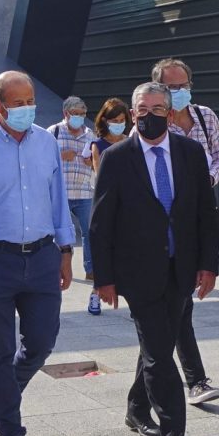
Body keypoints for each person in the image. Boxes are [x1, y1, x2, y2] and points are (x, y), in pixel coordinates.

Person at [90, 82, 219, 436]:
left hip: (181, 269)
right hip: (137, 273)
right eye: (143, 110)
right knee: (161, 355)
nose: (150, 116)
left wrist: (209, 265)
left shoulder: (190, 153)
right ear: (133, 114)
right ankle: (173, 434)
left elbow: (205, 214)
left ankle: (135, 408)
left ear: (170, 112)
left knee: (156, 346)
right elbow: (101, 223)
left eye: (158, 109)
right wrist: (103, 278)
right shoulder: (117, 158)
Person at [0, 72, 74, 436]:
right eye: (18, 103)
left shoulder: (46, 141)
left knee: (42, 341)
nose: (27, 108)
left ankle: (5, 394)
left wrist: (65, 250)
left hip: (42, 256)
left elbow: (57, 197)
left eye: (30, 100)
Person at [153, 58, 219, 406]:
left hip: (198, 215)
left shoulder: (204, 116)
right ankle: (193, 379)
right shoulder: (153, 121)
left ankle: (157, 384)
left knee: (178, 306)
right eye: (172, 87)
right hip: (164, 223)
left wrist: (205, 178)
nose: (179, 91)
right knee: (178, 305)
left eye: (184, 85)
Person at [87, 98, 131, 316]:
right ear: (105, 120)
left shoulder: (131, 142)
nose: (118, 124)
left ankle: (135, 300)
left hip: (130, 205)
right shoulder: (98, 145)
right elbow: (100, 175)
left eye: (122, 120)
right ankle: (96, 292)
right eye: (114, 120)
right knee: (105, 251)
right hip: (108, 203)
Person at [50, 96, 97, 281]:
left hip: (84, 191)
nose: (79, 117)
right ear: (66, 113)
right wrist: (61, 155)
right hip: (60, 193)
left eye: (82, 114)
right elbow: (42, 158)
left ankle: (91, 270)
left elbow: (97, 161)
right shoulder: (53, 132)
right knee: (59, 234)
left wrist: (91, 162)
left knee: (90, 232)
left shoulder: (90, 135)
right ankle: (58, 269)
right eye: (75, 113)